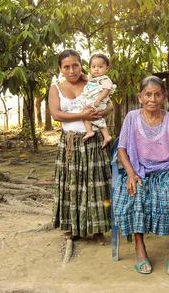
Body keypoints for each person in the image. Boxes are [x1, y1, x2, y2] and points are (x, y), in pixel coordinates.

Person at [113, 76, 169, 276]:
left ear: (164, 97)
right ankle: (140, 248)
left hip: (168, 170)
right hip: (139, 171)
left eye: (157, 94)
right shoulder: (131, 117)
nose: (152, 99)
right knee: (135, 192)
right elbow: (121, 150)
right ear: (140, 97)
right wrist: (130, 173)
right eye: (148, 94)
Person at [48, 49, 112, 241]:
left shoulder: (93, 82)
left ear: (81, 65)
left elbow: (110, 105)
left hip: (93, 142)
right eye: (66, 67)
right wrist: (82, 115)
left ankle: (98, 228)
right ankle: (71, 228)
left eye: (75, 65)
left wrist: (101, 112)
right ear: (60, 68)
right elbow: (56, 114)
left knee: (95, 184)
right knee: (71, 185)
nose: (71, 70)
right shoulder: (56, 88)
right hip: (70, 143)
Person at [81, 53, 116, 148]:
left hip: (99, 102)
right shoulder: (93, 79)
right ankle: (106, 135)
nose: (96, 69)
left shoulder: (104, 79)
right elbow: (86, 77)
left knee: (87, 114)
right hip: (95, 102)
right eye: (93, 67)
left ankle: (90, 132)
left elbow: (107, 89)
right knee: (92, 116)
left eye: (100, 66)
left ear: (106, 68)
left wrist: (98, 100)